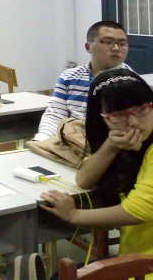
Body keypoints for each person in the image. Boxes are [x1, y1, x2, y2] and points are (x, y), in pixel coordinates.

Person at [40, 68, 153, 274]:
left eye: (142, 109)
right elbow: (84, 180)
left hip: (142, 267)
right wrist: (110, 145)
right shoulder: (129, 141)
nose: (133, 122)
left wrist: (74, 215)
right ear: (103, 118)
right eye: (119, 115)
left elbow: (140, 210)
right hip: (137, 259)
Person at [33, 20, 129, 141]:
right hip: (72, 141)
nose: (116, 48)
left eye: (122, 44)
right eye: (108, 42)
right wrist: (42, 140)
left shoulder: (132, 83)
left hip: (111, 144)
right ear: (88, 47)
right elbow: (55, 114)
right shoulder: (69, 77)